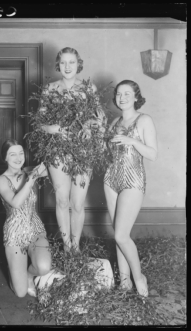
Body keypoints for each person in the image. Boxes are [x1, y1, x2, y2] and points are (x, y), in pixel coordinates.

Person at [40, 47, 105, 252]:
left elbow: (100, 118)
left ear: (79, 64)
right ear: (58, 65)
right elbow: (39, 123)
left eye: (72, 62)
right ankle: (67, 247)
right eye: (63, 62)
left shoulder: (88, 88)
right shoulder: (49, 89)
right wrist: (54, 128)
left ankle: (75, 246)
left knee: (77, 204)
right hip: (57, 149)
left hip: (82, 150)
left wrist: (89, 125)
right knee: (61, 199)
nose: (67, 67)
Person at [104, 80, 158, 297]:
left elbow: (153, 154)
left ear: (136, 97)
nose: (122, 97)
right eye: (119, 94)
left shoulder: (144, 120)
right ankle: (124, 283)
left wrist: (131, 140)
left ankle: (138, 277)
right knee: (118, 233)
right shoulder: (114, 122)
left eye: (127, 93)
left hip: (133, 179)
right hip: (111, 179)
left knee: (121, 235)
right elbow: (105, 151)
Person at [0, 139, 51, 298]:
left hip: (35, 230)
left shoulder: (28, 171)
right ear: (5, 157)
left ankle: (28, 274)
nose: (18, 158)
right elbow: (16, 202)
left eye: (21, 153)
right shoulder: (0, 180)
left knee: (43, 268)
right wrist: (32, 178)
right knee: (20, 293)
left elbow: (55, 167)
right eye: (12, 154)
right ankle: (13, 267)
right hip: (14, 234)